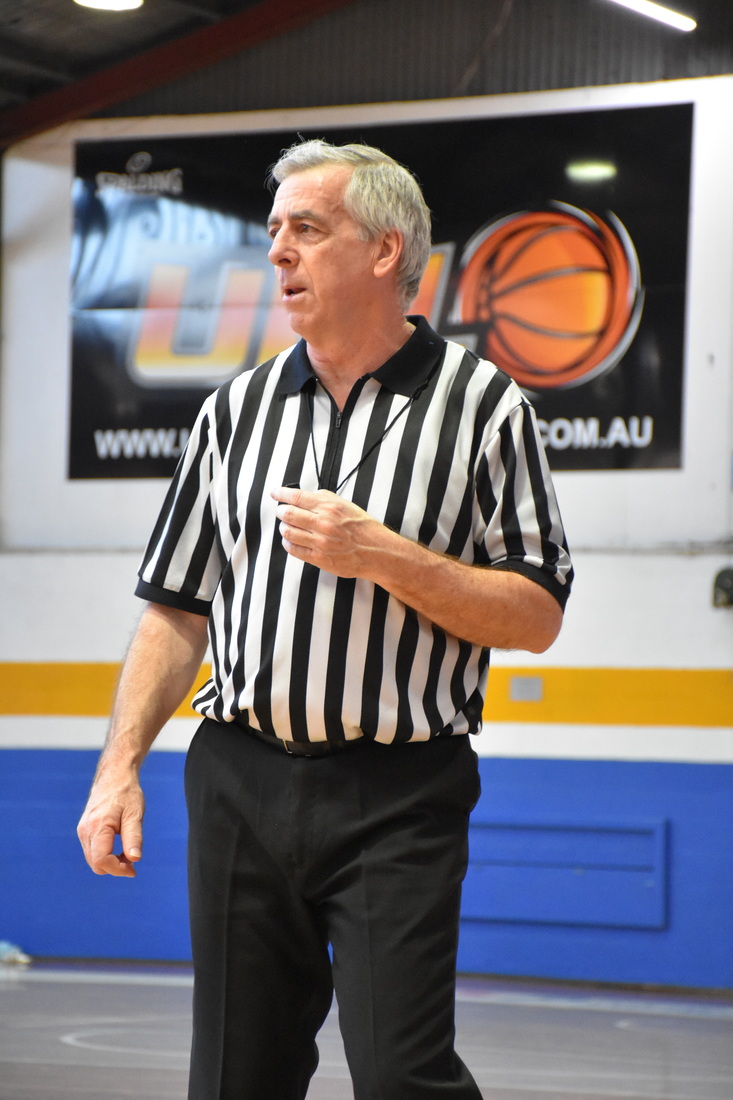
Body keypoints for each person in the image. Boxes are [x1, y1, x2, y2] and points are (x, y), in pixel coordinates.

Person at [78, 138, 573, 1100]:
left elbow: (536, 614)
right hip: (239, 781)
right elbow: (176, 608)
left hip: (398, 792)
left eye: (307, 229)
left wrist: (379, 554)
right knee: (234, 1077)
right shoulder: (235, 411)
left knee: (400, 1076)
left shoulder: (484, 407)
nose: (277, 253)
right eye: (274, 231)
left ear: (386, 251)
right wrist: (118, 767)